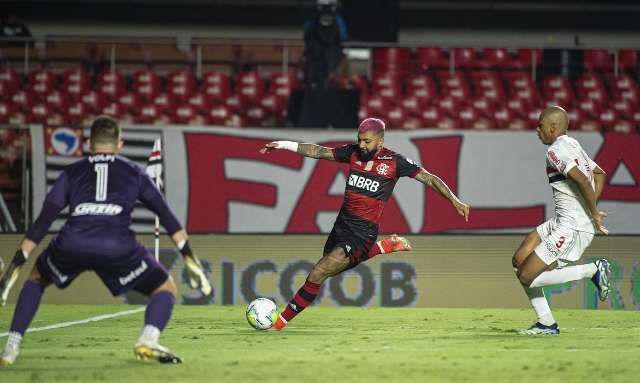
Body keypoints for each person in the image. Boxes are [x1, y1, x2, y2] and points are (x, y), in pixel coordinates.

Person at [0, 116, 211, 365]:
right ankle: (148, 339)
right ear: (119, 144)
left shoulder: (71, 172)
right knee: (165, 289)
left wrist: (13, 268)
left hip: (72, 241)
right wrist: (190, 258)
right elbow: (166, 216)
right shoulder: (135, 172)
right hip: (116, 245)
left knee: (36, 280)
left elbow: (44, 221)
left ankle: (11, 347)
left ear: (89, 143)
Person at [260, 117, 470, 330]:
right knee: (328, 269)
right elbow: (318, 151)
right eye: (359, 140)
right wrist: (284, 145)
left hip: (362, 231)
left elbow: (429, 178)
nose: (362, 145)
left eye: (367, 141)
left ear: (380, 142)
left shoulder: (395, 162)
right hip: (342, 224)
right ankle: (382, 247)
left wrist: (454, 200)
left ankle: (278, 323)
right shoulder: (352, 152)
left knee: (318, 272)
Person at [512, 106, 611, 335]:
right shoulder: (573, 144)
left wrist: (593, 213)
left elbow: (584, 182)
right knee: (519, 260)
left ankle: (592, 270)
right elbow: (599, 174)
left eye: (540, 125)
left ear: (552, 127)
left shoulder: (555, 151)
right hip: (563, 221)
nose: (537, 130)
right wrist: (588, 210)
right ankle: (546, 324)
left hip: (572, 227)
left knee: (527, 277)